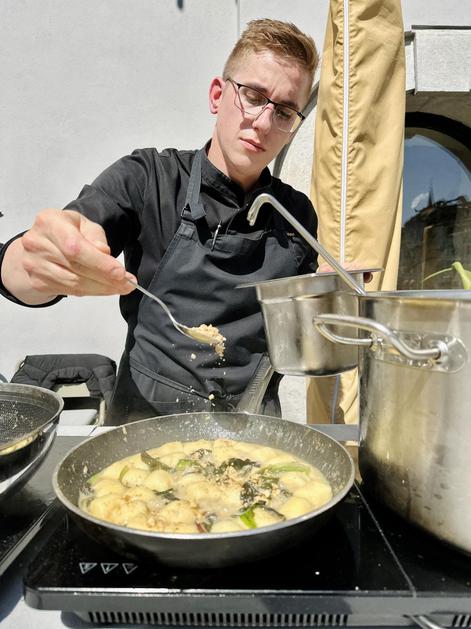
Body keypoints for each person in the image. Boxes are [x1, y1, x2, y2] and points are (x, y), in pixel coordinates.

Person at [0, 19, 319, 424]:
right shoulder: (149, 179)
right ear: (217, 95)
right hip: (143, 428)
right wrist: (32, 264)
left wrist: (332, 305)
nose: (263, 123)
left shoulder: (296, 216)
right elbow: (51, 250)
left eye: (285, 112)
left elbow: (300, 337)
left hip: (254, 431)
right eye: (253, 96)